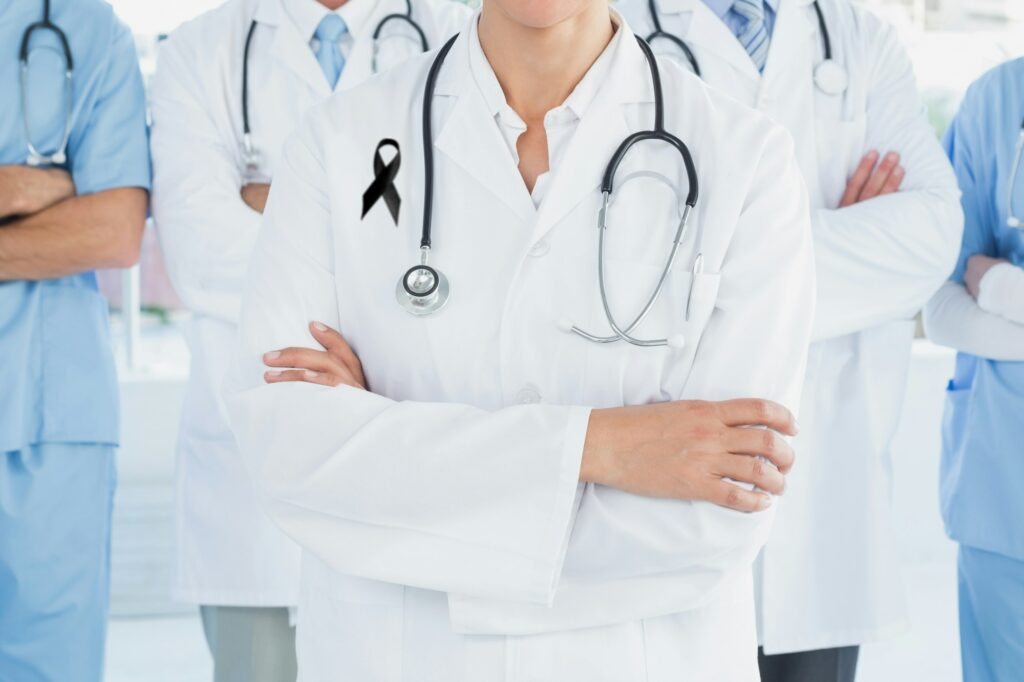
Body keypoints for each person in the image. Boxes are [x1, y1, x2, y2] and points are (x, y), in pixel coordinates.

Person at [224, 0, 817, 678]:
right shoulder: (337, 141)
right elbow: (292, 449)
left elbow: (718, 514)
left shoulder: (747, 160)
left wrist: (386, 468)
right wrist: (605, 446)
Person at [618, 0, 964, 679]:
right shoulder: (616, 30)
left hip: (824, 511)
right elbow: (615, 267)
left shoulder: (860, 39)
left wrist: (710, 262)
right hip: (664, 508)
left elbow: (932, 236)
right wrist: (850, 237)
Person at [150, 0, 469, 679]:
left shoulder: (455, 33)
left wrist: (278, 203)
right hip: (251, 482)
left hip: (415, 459)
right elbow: (201, 254)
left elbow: (474, 241)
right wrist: (387, 254)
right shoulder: (199, 51)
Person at [0, 0, 150, 680]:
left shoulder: (90, 32)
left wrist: (87, 209)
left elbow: (114, 232)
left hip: (51, 417)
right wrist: (41, 190)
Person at [923, 59, 1024, 682]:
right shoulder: (995, 102)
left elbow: (975, 285)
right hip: (1003, 486)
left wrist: (1004, 288)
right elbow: (939, 306)